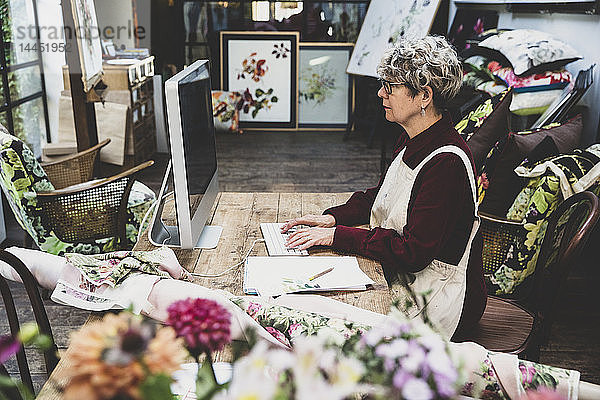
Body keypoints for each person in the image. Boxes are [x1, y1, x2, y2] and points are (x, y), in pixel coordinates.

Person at [282, 35, 486, 338]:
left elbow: (413, 252)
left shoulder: (446, 164)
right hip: (406, 278)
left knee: (320, 321)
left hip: (438, 299)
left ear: (423, 96)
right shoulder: (414, 138)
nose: (380, 93)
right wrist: (332, 219)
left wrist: (335, 237)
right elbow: (381, 196)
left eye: (390, 87)